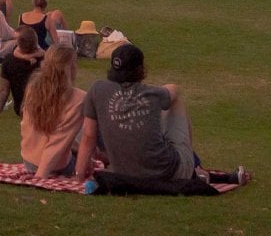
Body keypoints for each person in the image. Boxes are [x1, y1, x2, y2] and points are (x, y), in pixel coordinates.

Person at [78, 44, 201, 183]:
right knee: (176, 102)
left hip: (123, 173)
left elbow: (88, 137)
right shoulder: (152, 94)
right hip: (167, 172)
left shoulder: (97, 90)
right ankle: (193, 168)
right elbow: (173, 90)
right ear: (140, 70)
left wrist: (78, 176)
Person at [20, 43, 87, 176]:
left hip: (29, 161)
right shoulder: (79, 98)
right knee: (92, 125)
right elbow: (58, 142)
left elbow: (29, 127)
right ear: (71, 67)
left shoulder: (34, 87)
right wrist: (41, 176)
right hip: (55, 166)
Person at [0, 25, 46, 118]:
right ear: (36, 41)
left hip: (21, 110)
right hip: (44, 109)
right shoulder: (46, 61)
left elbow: (4, 91)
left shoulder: (9, 61)